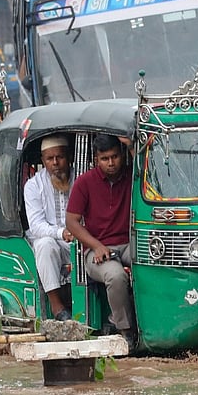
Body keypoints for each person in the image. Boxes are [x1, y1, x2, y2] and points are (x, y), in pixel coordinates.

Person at [66, 135, 135, 347]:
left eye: (115, 157)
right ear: (97, 159)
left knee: (149, 265)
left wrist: (132, 147)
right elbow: (71, 221)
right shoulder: (84, 182)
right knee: (115, 276)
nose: (111, 163)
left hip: (129, 244)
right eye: (105, 158)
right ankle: (125, 332)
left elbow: (151, 173)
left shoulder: (133, 176)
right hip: (96, 250)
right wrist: (96, 245)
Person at [25, 135, 76, 320]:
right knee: (44, 244)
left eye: (59, 157)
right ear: (43, 161)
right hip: (54, 241)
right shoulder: (33, 185)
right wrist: (61, 233)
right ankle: (57, 307)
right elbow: (36, 225)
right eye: (49, 159)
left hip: (79, 239)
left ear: (68, 157)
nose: (55, 163)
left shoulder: (81, 178)